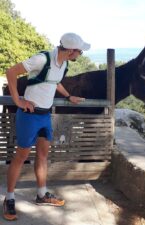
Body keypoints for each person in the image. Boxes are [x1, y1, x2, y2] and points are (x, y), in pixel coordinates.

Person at [3, 32, 90, 221]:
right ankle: (9, 198)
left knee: (42, 155)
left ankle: (42, 195)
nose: (80, 55)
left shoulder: (63, 64)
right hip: (29, 116)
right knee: (21, 156)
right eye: (79, 52)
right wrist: (18, 101)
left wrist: (68, 96)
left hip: (44, 116)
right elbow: (11, 72)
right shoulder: (42, 59)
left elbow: (55, 82)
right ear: (70, 51)